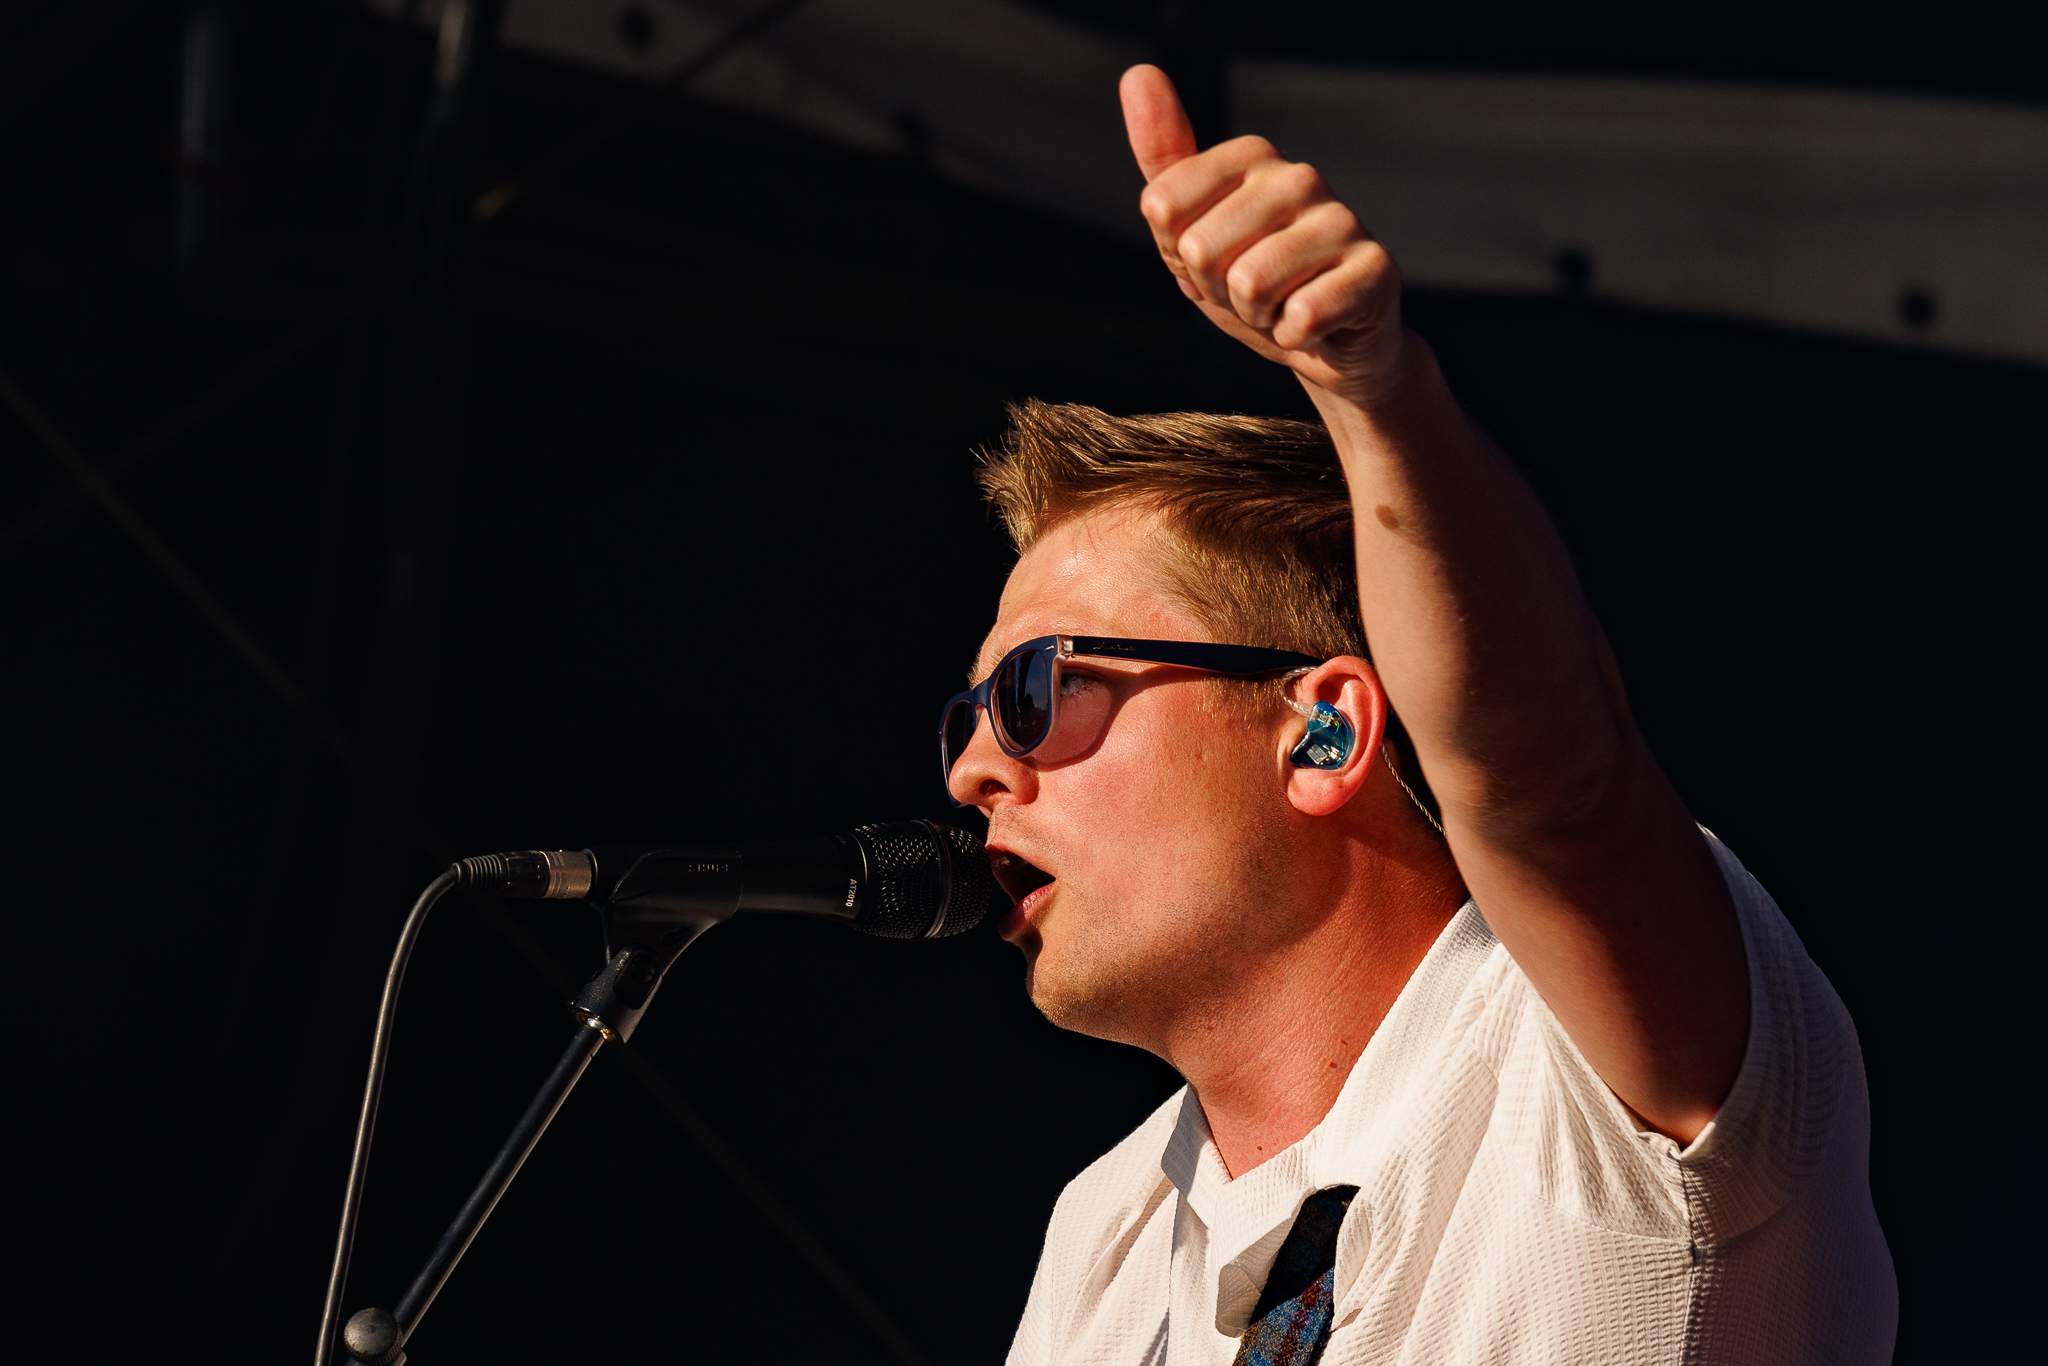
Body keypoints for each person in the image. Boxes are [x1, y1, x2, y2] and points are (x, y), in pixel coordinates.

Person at [947, 67, 1897, 1366]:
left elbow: (1554, 783)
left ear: (1323, 731)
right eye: (966, 717)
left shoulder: (1577, 1072)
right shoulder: (1105, 1234)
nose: (976, 768)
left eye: (1035, 690)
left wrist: (1374, 390)